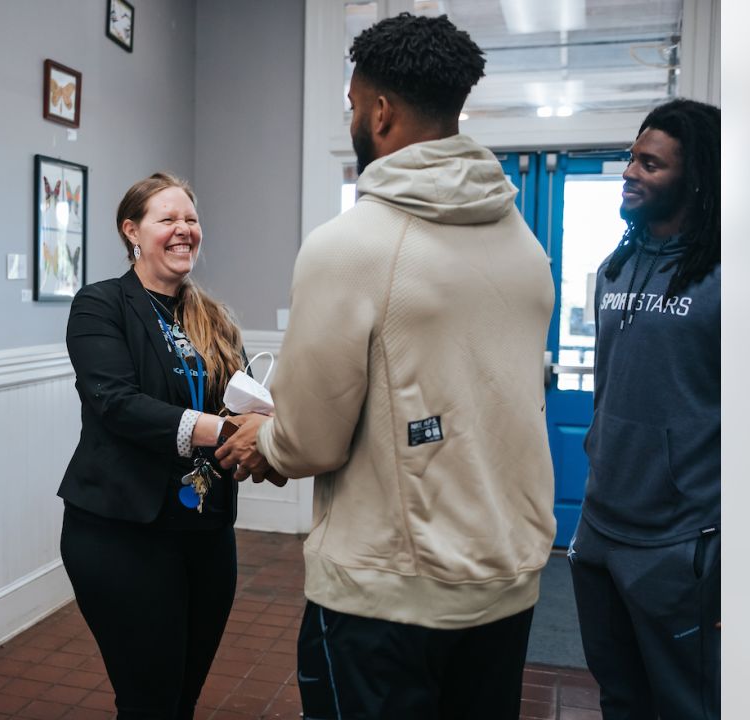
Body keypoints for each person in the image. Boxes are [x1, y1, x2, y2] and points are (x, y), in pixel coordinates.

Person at [216, 13, 556, 719]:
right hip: (506, 582)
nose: (351, 120)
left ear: (379, 111)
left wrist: (263, 441)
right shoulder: (524, 243)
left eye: (350, 106)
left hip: (388, 595)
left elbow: (311, 439)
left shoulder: (350, 245)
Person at [57, 172, 245, 719]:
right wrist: (223, 432)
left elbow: (236, 402)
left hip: (206, 532)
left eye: (190, 219)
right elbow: (115, 402)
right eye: (168, 219)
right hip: (123, 534)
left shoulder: (214, 318)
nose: (184, 230)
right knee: (149, 701)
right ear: (132, 232)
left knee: (182, 697)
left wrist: (259, 426)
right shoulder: (100, 305)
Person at [567, 98, 721, 719]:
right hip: (601, 525)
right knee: (619, 696)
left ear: (695, 177)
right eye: (632, 156)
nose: (630, 170)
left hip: (680, 537)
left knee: (686, 703)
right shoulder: (614, 268)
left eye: (650, 164)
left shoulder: (727, 279)